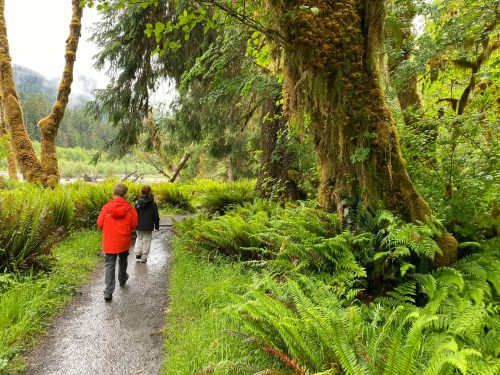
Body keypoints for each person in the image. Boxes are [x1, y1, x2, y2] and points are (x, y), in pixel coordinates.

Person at [97, 183, 137, 301]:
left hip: (109, 241)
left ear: (113, 193)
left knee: (110, 265)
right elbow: (134, 225)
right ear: (125, 194)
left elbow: (99, 224)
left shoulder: (106, 208)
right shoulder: (130, 209)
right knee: (123, 260)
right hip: (123, 240)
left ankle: (108, 292)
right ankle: (122, 279)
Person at [134, 185, 160, 263]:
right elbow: (156, 215)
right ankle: (144, 258)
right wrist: (157, 226)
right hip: (148, 225)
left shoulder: (137, 202)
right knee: (146, 240)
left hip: (138, 225)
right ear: (149, 192)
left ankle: (138, 253)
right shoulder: (153, 203)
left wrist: (133, 224)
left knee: (139, 238)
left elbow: (134, 214)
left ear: (141, 192)